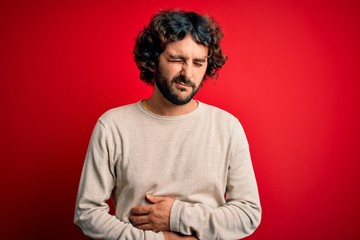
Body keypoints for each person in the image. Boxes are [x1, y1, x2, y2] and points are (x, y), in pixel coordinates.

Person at [74, 9, 261, 240]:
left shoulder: (227, 128)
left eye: (198, 63)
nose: (188, 74)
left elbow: (248, 213)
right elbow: (87, 213)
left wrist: (176, 215)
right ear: (152, 61)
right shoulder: (112, 126)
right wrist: (159, 239)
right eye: (177, 59)